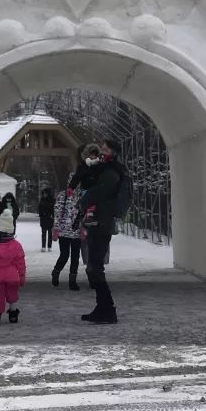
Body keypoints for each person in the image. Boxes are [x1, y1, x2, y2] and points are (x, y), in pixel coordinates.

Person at [76, 139, 123, 324]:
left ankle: (108, 310)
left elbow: (99, 192)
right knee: (94, 267)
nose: (101, 151)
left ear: (112, 152)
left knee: (96, 267)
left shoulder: (112, 172)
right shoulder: (105, 169)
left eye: (105, 148)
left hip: (102, 223)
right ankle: (102, 308)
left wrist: (85, 199)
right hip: (97, 221)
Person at [51, 168, 84, 290]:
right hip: (64, 231)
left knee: (75, 257)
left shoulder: (82, 196)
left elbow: (85, 213)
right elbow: (57, 212)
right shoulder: (62, 195)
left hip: (77, 231)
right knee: (64, 255)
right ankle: (56, 271)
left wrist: (84, 228)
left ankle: (72, 281)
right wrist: (56, 228)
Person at [37, 188, 55, 252]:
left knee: (50, 233)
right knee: (43, 233)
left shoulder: (52, 200)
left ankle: (49, 246)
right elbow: (39, 208)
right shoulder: (42, 200)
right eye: (43, 193)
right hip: (43, 219)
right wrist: (41, 214)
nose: (44, 194)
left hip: (50, 218)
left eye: (45, 193)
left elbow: (53, 209)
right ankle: (43, 246)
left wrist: (52, 215)